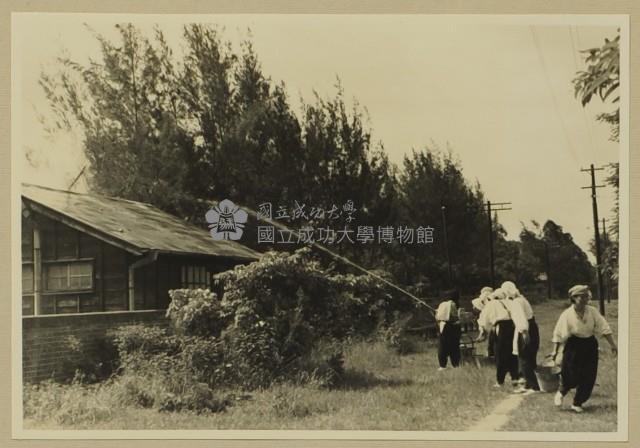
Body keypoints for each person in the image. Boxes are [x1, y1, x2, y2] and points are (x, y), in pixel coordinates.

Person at [550, 285, 617, 413]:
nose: (586, 299)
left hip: (589, 345)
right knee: (570, 373)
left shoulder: (592, 311)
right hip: (573, 345)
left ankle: (577, 402)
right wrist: (555, 351)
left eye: (587, 296)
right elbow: (558, 334)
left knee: (589, 375)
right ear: (574, 298)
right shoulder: (567, 314)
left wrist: (612, 345)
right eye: (583, 296)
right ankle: (561, 392)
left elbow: (604, 327)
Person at [476, 288, 520, 387]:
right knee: (512, 352)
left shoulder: (492, 304)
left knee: (500, 354)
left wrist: (482, 332)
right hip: (513, 327)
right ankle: (515, 377)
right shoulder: (508, 302)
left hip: (502, 328)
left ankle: (500, 381)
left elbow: (484, 320)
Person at [502, 281, 540, 395]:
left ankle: (533, 386)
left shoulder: (517, 302)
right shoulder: (522, 299)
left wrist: (524, 332)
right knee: (529, 356)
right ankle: (528, 384)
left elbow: (521, 318)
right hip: (531, 327)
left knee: (524, 356)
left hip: (525, 329)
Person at [435, 290, 462, 370]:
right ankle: (455, 364)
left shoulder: (444, 304)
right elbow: (454, 316)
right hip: (452, 327)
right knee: (454, 347)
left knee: (443, 346)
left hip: (445, 327)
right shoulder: (453, 304)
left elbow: (439, 317)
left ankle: (443, 365)